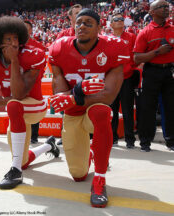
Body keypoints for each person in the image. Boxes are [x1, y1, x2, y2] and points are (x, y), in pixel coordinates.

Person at [48, 9, 129, 208]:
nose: (81, 26)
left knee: (102, 111)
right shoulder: (59, 48)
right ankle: (91, 155)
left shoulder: (114, 47)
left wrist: (75, 95)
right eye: (79, 22)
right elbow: (60, 94)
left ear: (99, 28)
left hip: (94, 109)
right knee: (78, 175)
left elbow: (109, 95)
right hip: (73, 115)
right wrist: (76, 92)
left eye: (88, 23)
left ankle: (100, 179)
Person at [0, 16, 60, 190]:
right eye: (8, 39)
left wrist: (14, 60)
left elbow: (18, 93)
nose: (14, 43)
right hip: (15, 109)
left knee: (14, 105)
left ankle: (15, 171)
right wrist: (11, 101)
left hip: (35, 105)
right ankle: (48, 145)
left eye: (16, 38)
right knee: (23, 160)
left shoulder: (33, 54)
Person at [134, 0, 174, 152]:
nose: (166, 9)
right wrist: (157, 52)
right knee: (147, 108)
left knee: (171, 107)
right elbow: (137, 58)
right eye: (162, 7)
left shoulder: (172, 29)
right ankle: (145, 141)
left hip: (170, 72)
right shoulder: (145, 32)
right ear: (151, 12)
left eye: (167, 6)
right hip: (152, 72)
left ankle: (171, 141)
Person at [109, 13, 138, 148]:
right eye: (116, 19)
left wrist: (130, 68)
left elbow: (135, 55)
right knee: (112, 110)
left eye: (122, 19)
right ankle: (113, 137)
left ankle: (130, 139)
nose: (120, 21)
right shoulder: (105, 39)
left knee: (127, 110)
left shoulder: (131, 37)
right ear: (111, 24)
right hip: (111, 80)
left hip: (127, 78)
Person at [24, 20, 46, 144]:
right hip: (19, 82)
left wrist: (38, 77)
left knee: (35, 105)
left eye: (27, 28)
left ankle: (34, 136)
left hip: (34, 82)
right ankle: (23, 134)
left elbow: (43, 64)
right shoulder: (15, 44)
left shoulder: (37, 45)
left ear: (31, 30)